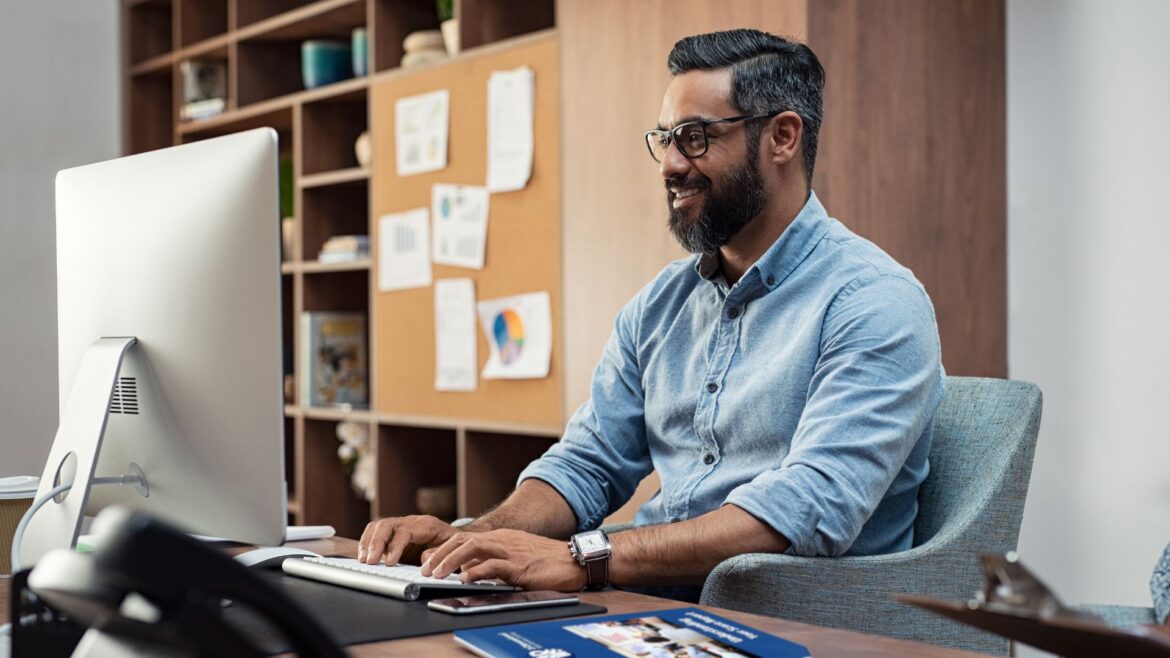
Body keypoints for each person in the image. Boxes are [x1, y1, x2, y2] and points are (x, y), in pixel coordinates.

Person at [358, 28, 944, 598]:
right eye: (664, 139)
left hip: (798, 624)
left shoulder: (874, 301)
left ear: (783, 137)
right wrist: (472, 540)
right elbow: (589, 462)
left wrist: (586, 558)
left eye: (693, 137)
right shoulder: (660, 305)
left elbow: (806, 508)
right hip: (651, 606)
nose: (668, 164)